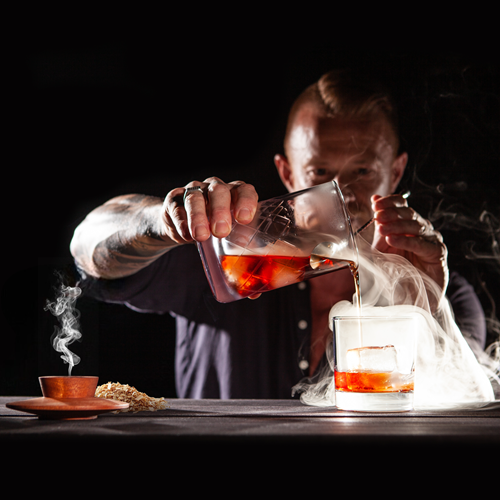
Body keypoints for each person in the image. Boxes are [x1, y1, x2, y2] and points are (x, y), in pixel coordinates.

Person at [70, 69, 487, 399]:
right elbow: (87, 246)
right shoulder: (226, 253)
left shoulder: (443, 288)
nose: (341, 194)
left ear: (394, 172)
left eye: (363, 171)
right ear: (287, 173)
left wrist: (428, 313)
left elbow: (471, 411)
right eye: (320, 172)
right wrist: (164, 221)